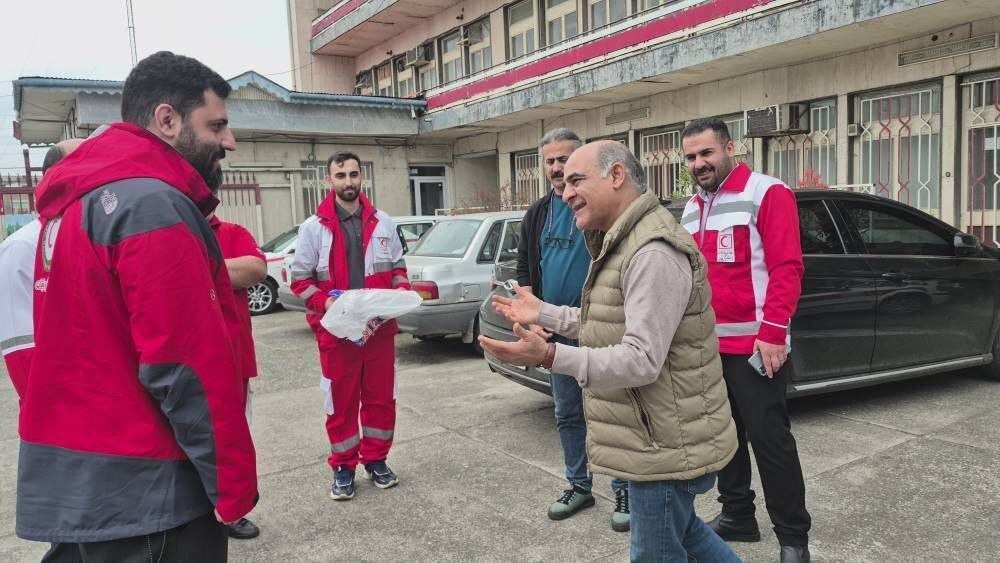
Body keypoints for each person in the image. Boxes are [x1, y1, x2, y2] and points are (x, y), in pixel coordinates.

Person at [19, 51, 257, 561]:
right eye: (216, 125)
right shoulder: (150, 205)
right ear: (167, 119)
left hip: (88, 485)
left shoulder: (75, 206)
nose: (229, 141)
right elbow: (186, 365)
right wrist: (233, 487)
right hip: (152, 491)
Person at [480, 140, 740, 562]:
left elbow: (641, 359)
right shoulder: (623, 241)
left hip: (662, 446)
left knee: (655, 552)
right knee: (688, 532)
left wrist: (549, 357)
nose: (566, 193)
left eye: (576, 180)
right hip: (655, 438)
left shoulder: (651, 251)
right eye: (564, 183)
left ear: (616, 176)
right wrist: (543, 312)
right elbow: (610, 321)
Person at [679, 117, 810, 563]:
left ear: (729, 148)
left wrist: (773, 334)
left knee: (771, 442)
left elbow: (787, 267)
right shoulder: (692, 207)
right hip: (708, 349)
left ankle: (793, 538)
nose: (699, 163)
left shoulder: (766, 192)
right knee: (725, 439)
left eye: (706, 153)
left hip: (755, 349)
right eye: (691, 157)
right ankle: (738, 515)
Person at [515, 128, 630, 530]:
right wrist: (534, 317)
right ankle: (579, 485)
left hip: (600, 330)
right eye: (549, 161)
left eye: (563, 159)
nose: (556, 167)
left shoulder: (597, 207)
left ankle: (624, 488)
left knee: (611, 413)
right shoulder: (538, 213)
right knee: (567, 414)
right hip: (556, 331)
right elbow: (525, 269)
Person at [290, 151, 410, 500]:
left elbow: (398, 268)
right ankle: (343, 466)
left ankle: (377, 460)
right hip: (337, 332)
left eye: (353, 174)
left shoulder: (384, 222)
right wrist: (327, 303)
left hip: (378, 331)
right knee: (340, 402)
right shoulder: (313, 228)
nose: (348, 182)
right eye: (340, 175)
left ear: (362, 177)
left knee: (381, 399)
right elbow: (300, 281)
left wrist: (401, 291)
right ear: (329, 180)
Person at [1, 139, 83, 563]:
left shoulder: (85, 235)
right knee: (70, 534)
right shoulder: (23, 246)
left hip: (101, 415)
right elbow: (20, 349)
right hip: (60, 419)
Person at [1, 139, 82, 401]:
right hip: (59, 410)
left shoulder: (91, 238)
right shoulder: (22, 247)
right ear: (53, 178)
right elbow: (21, 351)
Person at [209, 214, 267, 540]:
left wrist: (192, 267)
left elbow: (256, 269)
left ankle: (231, 512)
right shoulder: (169, 229)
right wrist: (224, 273)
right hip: (183, 357)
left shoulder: (232, 232)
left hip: (232, 356)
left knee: (232, 438)